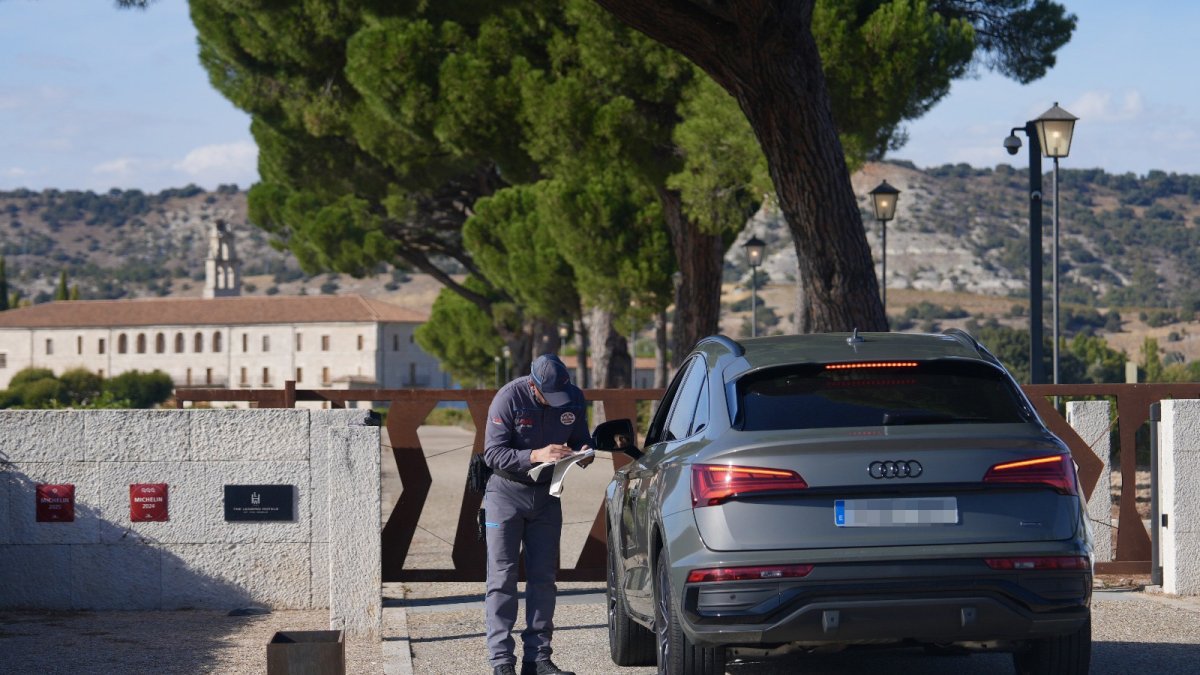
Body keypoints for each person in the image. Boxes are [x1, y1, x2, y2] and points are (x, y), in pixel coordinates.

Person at [482, 353, 592, 675]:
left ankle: (538, 659)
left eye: (561, 396)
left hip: (548, 495)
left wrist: (584, 453)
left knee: (544, 578)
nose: (557, 403)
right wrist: (534, 454)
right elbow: (492, 453)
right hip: (506, 493)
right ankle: (502, 662)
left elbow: (581, 438)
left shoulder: (573, 398)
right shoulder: (508, 398)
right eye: (549, 396)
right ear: (533, 384)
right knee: (502, 579)